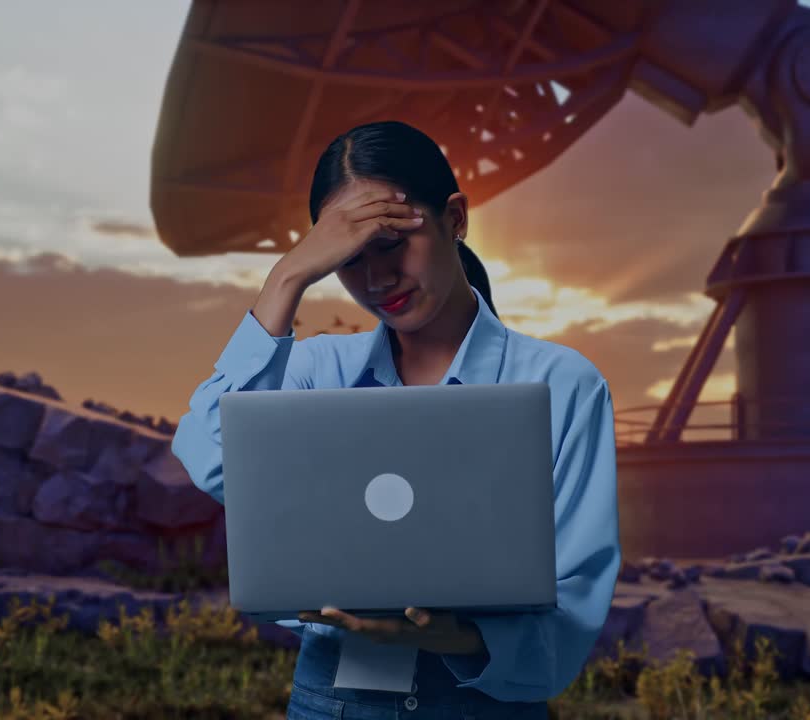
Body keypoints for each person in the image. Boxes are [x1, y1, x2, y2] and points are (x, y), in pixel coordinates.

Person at [171, 120, 621, 719]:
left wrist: (453, 637)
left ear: (455, 219)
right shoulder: (314, 372)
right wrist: (286, 278)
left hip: (484, 706)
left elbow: (573, 608)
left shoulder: (563, 385)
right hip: (331, 704)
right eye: (346, 261)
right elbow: (212, 455)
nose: (377, 281)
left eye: (391, 244)